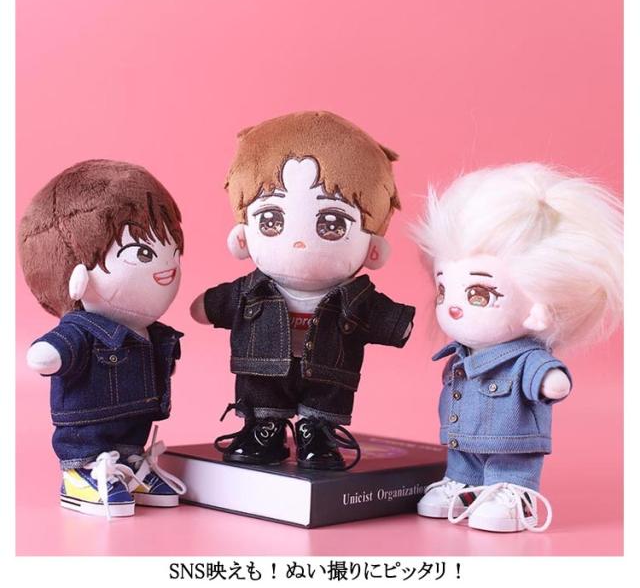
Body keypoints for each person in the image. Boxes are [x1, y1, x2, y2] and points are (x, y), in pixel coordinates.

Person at [191, 111, 415, 470]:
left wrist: (397, 324)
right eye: (270, 220)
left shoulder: (357, 298)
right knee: (260, 394)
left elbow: (389, 320)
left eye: (332, 223)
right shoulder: (250, 290)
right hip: (263, 371)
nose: (298, 241)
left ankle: (318, 432)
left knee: (326, 397)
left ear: (373, 247)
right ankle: (264, 427)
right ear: (243, 236)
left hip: (328, 373)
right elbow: (211, 306)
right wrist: (209, 306)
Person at [413, 163, 623, 532]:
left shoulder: (525, 359)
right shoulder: (460, 355)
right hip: (462, 443)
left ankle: (513, 494)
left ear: (540, 306)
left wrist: (552, 381)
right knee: (463, 463)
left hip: (513, 446)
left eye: (479, 294)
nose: (453, 306)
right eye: (444, 289)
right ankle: (462, 486)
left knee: (509, 467)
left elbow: (548, 376)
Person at [19, 159, 187, 518]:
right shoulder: (83, 329)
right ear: (77, 271)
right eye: (143, 253)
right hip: (86, 432)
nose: (168, 268)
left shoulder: (151, 332)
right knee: (86, 440)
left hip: (135, 421)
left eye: (172, 250)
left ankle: (128, 464)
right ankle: (79, 474)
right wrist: (47, 353)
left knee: (133, 432)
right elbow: (53, 350)